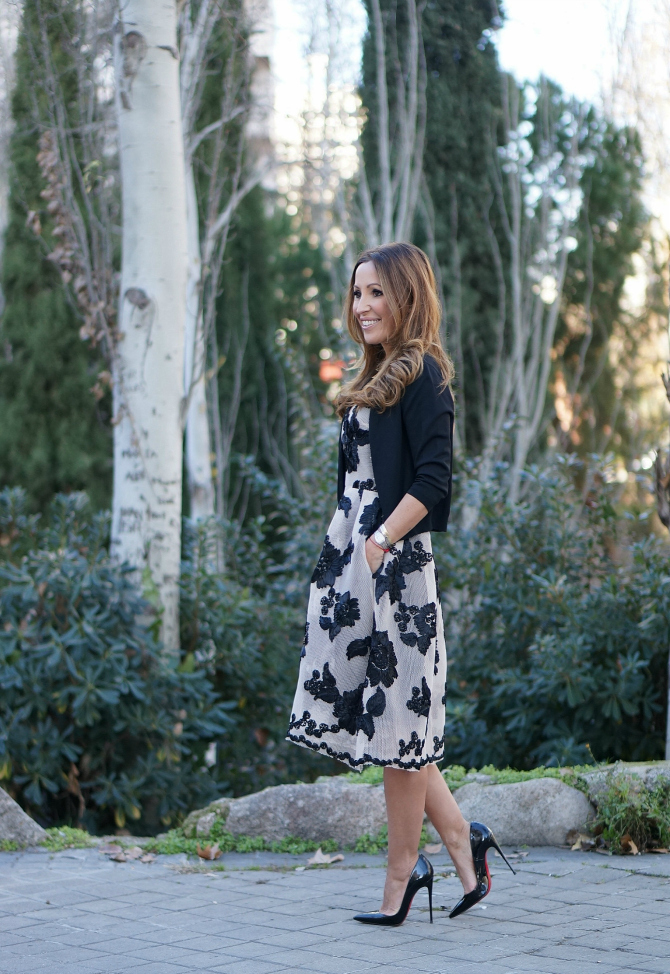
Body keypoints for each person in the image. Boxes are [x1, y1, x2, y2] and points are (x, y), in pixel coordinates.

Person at [287, 242, 514, 925]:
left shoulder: (424, 374)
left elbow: (435, 479)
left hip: (397, 570)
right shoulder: (375, 376)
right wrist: (344, 561)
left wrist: (381, 541)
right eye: (357, 293)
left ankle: (401, 877)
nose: (362, 306)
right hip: (356, 564)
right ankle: (463, 843)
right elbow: (354, 486)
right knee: (395, 725)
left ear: (408, 296)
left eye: (377, 292)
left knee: (397, 724)